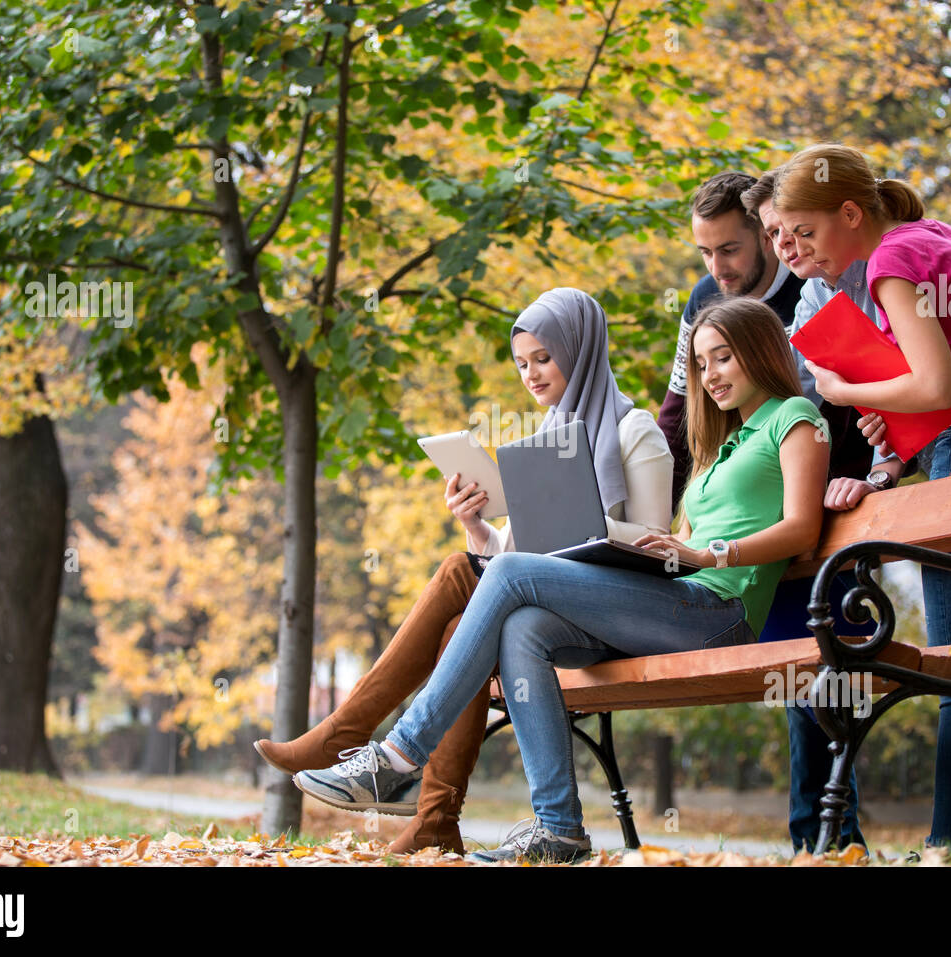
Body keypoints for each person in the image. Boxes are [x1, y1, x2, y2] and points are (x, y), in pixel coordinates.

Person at [295, 297, 831, 863]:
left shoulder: (796, 416)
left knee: (505, 573)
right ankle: (559, 831)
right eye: (700, 363)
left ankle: (400, 756)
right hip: (673, 601)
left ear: (759, 352)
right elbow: (670, 541)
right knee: (523, 627)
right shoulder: (718, 445)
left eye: (723, 358)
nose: (710, 375)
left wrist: (710, 553)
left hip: (722, 610)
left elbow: (800, 528)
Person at [252, 288, 672, 855]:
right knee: (460, 599)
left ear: (581, 346)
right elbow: (510, 559)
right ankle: (433, 823)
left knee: (456, 572)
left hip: (619, 617)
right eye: (522, 363)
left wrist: (587, 524)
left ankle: (361, 744)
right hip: (547, 615)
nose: (531, 374)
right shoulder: (546, 441)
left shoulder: (635, 430)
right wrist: (477, 526)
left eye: (544, 358)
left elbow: (660, 549)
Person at [772, 143, 951, 851]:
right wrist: (895, 429)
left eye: (805, 232)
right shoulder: (932, 239)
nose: (794, 251)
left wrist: (844, 392)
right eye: (785, 237)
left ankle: (949, 843)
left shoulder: (893, 261)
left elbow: (937, 387)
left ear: (851, 213)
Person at [658, 170, 875, 853]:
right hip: (746, 520)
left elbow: (852, 394)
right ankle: (810, 834)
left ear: (763, 232)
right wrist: (679, 523)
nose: (717, 268)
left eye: (729, 248)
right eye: (704, 253)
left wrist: (867, 475)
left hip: (821, 507)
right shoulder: (702, 301)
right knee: (795, 678)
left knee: (822, 675)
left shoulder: (809, 283)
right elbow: (679, 415)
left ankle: (838, 833)